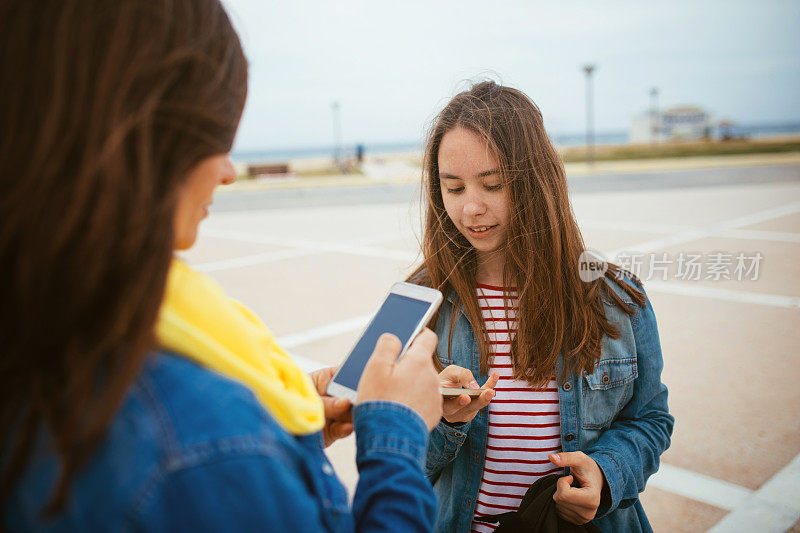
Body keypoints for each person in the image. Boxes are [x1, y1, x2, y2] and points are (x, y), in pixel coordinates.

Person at [0, 1, 442, 530]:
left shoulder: (45, 330)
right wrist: (397, 433)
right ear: (153, 138)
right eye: (218, 137)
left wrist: (276, 431)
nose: (229, 172)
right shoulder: (195, 446)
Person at [408, 81, 674, 532]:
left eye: (492, 185)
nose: (471, 208)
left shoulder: (617, 297)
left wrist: (607, 475)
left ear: (536, 182)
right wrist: (444, 423)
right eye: (453, 189)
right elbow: (390, 453)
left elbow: (650, 419)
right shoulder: (415, 301)